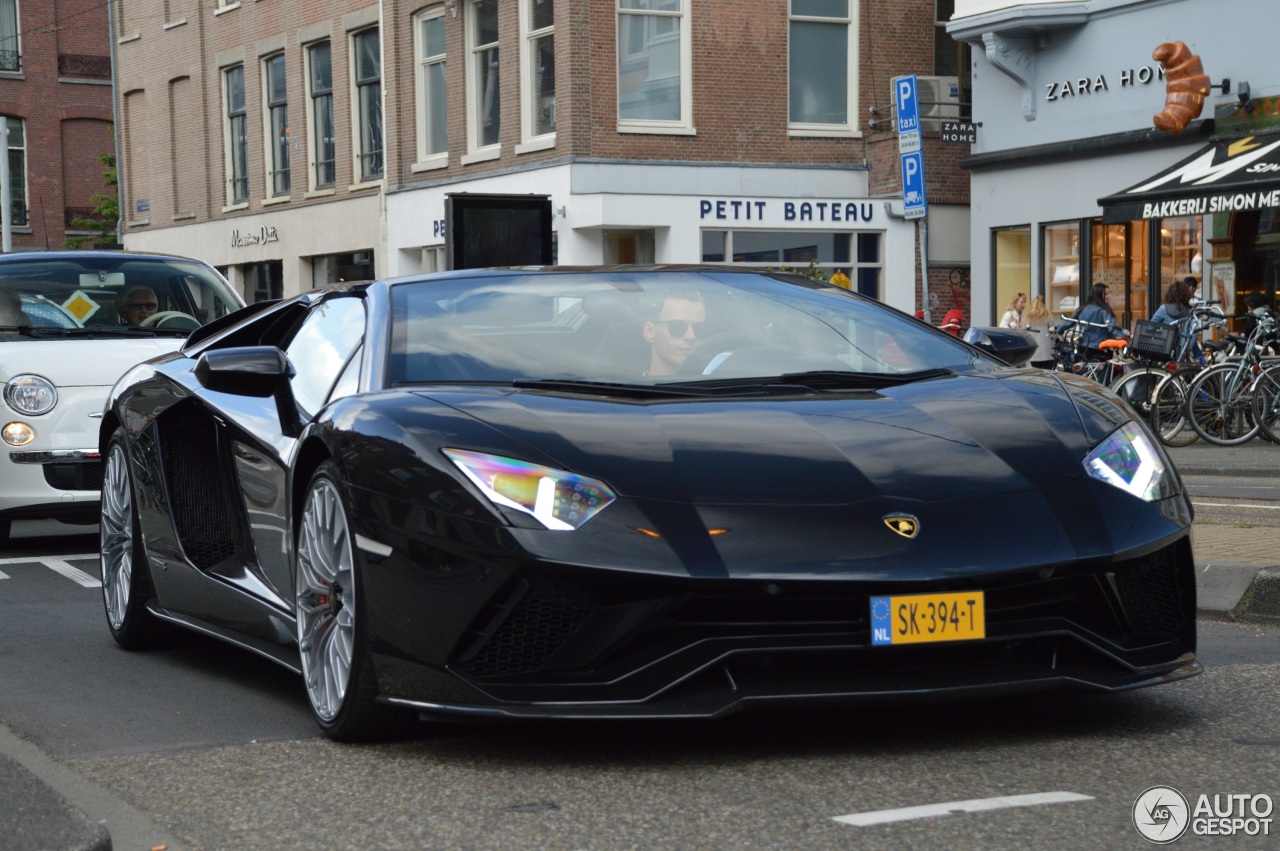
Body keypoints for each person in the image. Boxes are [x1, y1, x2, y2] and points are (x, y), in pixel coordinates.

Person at [642, 291, 706, 376]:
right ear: (650, 332)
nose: (691, 336)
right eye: (678, 326)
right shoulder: (624, 387)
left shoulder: (721, 384)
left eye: (699, 328)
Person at [1058, 283, 1128, 350]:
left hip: (1084, 346)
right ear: (1099, 295)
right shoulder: (1103, 310)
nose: (1108, 296)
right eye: (1106, 294)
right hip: (1100, 346)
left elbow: (1070, 321)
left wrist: (1057, 329)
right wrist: (1126, 334)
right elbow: (1112, 326)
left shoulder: (1082, 308)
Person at [1022, 294, 1055, 368]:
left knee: (1038, 375)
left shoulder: (1027, 317)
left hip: (1034, 353)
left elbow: (1025, 333)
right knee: (1048, 374)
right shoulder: (1048, 316)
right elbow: (1053, 334)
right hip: (1047, 352)